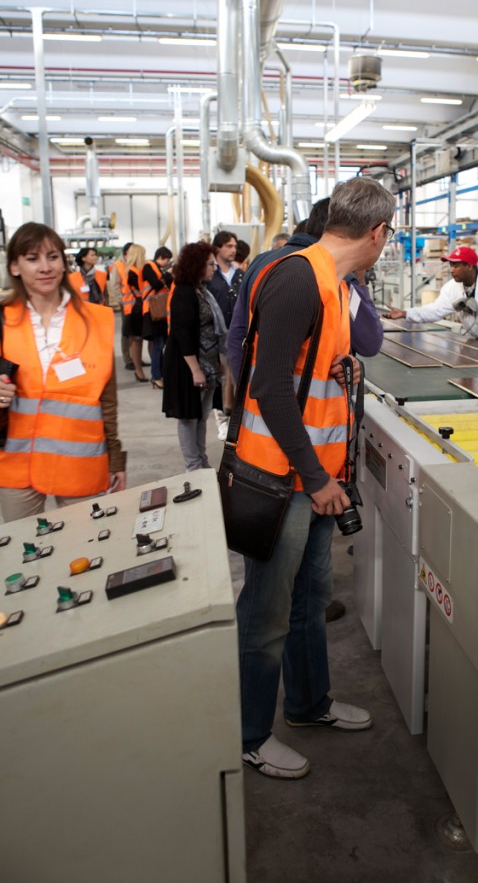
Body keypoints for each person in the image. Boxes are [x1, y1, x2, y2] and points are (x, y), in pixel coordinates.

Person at [237, 176, 395, 780]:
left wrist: (343, 365)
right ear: (377, 233)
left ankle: (308, 704)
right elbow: (268, 389)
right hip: (282, 478)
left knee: (309, 599)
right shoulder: (299, 277)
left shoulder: (331, 282)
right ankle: (252, 734)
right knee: (267, 609)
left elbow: (300, 372)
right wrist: (315, 478)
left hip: (317, 477)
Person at [0, 222, 126, 523]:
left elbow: (106, 402)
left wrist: (115, 457)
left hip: (79, 464)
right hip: (16, 464)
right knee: (24, 557)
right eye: (33, 258)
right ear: (15, 266)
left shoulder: (96, 320)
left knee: (85, 554)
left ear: (64, 262)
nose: (45, 267)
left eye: (53, 257)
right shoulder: (2, 320)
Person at [228, 197, 384, 379]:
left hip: (254, 397)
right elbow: (370, 342)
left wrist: (244, 389)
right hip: (307, 404)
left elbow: (237, 334)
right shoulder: (339, 276)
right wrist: (360, 279)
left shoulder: (260, 263)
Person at [162, 241, 227, 471]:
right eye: (210, 264)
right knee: (189, 417)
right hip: (189, 366)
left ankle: (201, 460)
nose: (214, 268)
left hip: (207, 365)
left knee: (201, 416)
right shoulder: (183, 292)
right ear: (197, 265)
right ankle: (193, 465)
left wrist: (215, 363)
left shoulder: (201, 290)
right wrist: (195, 369)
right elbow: (182, 332)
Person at [387, 244, 478, 349]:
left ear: (469, 266)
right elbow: (435, 310)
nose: (452, 270)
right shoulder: (452, 287)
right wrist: (406, 313)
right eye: (451, 266)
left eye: (456, 266)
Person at [208, 231, 243, 439]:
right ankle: (221, 420)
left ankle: (235, 419)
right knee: (220, 380)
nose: (233, 250)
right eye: (229, 246)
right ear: (218, 248)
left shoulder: (239, 274)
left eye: (235, 246)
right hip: (217, 336)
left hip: (237, 335)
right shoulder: (210, 275)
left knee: (236, 378)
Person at [141, 246, 173, 389]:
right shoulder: (148, 267)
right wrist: (169, 274)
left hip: (158, 312)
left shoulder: (156, 268)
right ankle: (156, 376)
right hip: (151, 310)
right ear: (160, 257)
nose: (168, 262)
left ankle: (160, 374)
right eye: (167, 259)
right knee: (158, 345)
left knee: (160, 345)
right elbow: (156, 284)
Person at [121, 243, 148, 381]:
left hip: (134, 310)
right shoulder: (133, 272)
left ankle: (139, 370)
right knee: (136, 340)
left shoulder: (133, 270)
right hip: (134, 311)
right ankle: (138, 371)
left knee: (138, 340)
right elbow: (142, 288)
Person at [109, 241, 134, 369]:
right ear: (126, 253)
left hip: (137, 304)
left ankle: (136, 358)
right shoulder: (118, 265)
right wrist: (122, 301)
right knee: (126, 333)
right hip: (127, 304)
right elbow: (114, 286)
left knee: (136, 334)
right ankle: (128, 359)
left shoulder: (136, 264)